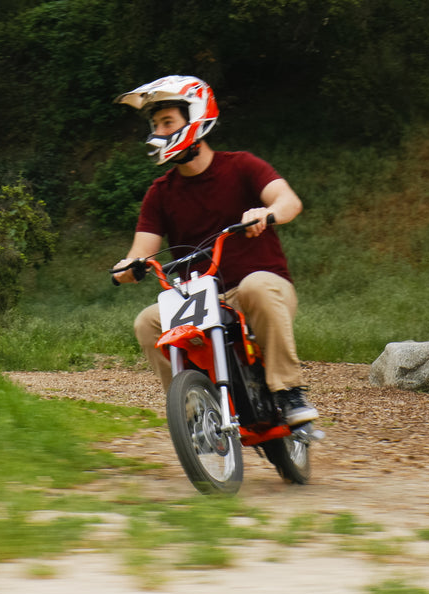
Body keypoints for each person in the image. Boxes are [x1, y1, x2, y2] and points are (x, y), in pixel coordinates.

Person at [111, 75, 318, 426]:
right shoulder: (160, 193)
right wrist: (128, 267)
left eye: (167, 122)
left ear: (195, 119)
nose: (158, 132)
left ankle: (289, 391)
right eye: (155, 124)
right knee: (147, 321)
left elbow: (289, 201)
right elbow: (141, 252)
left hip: (260, 290)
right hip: (199, 300)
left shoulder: (242, 166)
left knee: (255, 286)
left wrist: (265, 213)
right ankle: (192, 409)